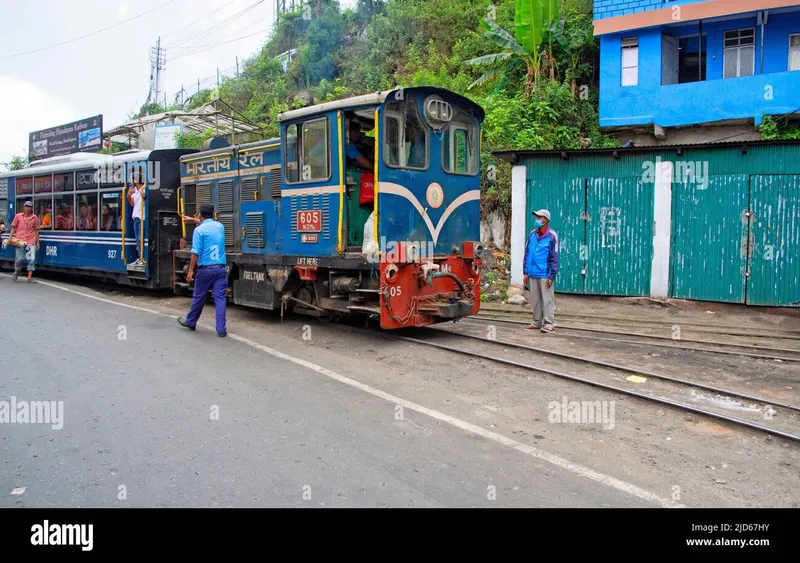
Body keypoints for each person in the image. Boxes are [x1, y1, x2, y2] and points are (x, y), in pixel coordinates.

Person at [177, 203, 228, 337]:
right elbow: (209, 225)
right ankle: (221, 329)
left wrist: (190, 271)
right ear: (213, 213)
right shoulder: (220, 226)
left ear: (200, 215)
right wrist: (195, 221)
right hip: (220, 269)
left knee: (198, 297)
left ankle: (191, 322)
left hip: (205, 270)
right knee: (220, 299)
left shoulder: (199, 231)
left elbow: (195, 252)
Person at [522, 208, 559, 333]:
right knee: (535, 299)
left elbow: (554, 257)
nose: (537, 219)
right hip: (532, 273)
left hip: (545, 273)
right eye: (536, 217)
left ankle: (549, 323)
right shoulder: (532, 234)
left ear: (546, 220)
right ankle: (536, 322)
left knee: (547, 300)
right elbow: (527, 254)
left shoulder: (552, 236)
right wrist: (525, 272)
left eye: (539, 217)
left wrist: (551, 276)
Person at [8, 200, 40, 283]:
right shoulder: (18, 216)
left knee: (32, 259)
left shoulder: (35, 218)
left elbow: (36, 230)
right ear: (24, 207)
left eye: (29, 207)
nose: (27, 208)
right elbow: (14, 227)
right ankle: (17, 271)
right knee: (20, 258)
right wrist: (10, 237)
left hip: (31, 239)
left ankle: (29, 277)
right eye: (26, 206)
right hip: (20, 240)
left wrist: (37, 242)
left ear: (32, 208)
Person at [127, 172, 146, 266]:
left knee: (140, 239)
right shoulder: (134, 190)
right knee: (137, 239)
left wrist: (144, 196)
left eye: (132, 179)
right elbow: (132, 204)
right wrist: (128, 196)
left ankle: (141, 258)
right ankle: (139, 257)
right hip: (136, 217)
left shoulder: (145, 189)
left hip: (142, 217)